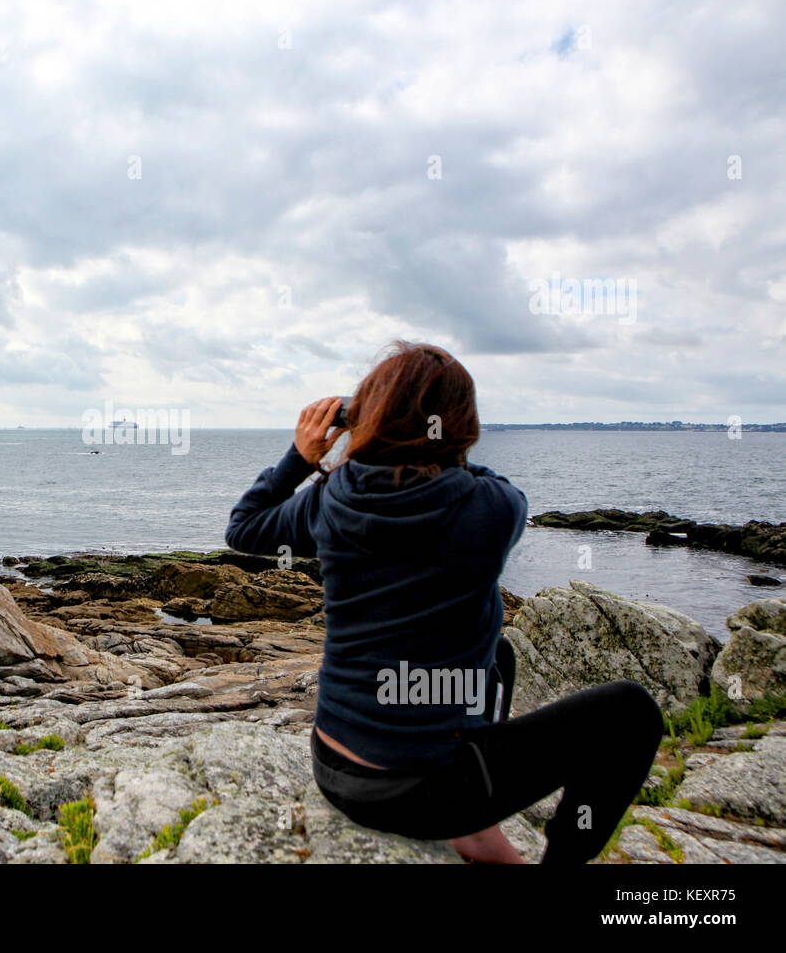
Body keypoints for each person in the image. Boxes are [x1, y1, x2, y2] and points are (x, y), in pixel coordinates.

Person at [225, 341, 663, 863]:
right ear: (460, 426)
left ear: (370, 414)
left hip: (334, 767)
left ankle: (476, 827)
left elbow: (244, 527)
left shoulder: (332, 498)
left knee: (497, 655)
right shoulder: (491, 509)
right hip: (425, 795)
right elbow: (486, 483)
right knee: (631, 712)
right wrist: (434, 441)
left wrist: (300, 457)